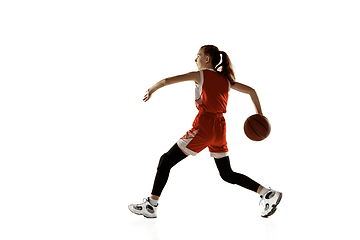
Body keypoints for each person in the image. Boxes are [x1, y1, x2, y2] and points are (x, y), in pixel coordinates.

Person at [128, 45, 282, 218]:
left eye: (198, 56)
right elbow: (252, 92)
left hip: (205, 127)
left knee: (166, 160)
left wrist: (151, 90)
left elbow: (167, 80)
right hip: (220, 128)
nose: (195, 59)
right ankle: (267, 193)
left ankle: (151, 205)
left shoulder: (200, 75)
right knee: (227, 174)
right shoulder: (226, 80)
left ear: (207, 59)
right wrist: (259, 116)